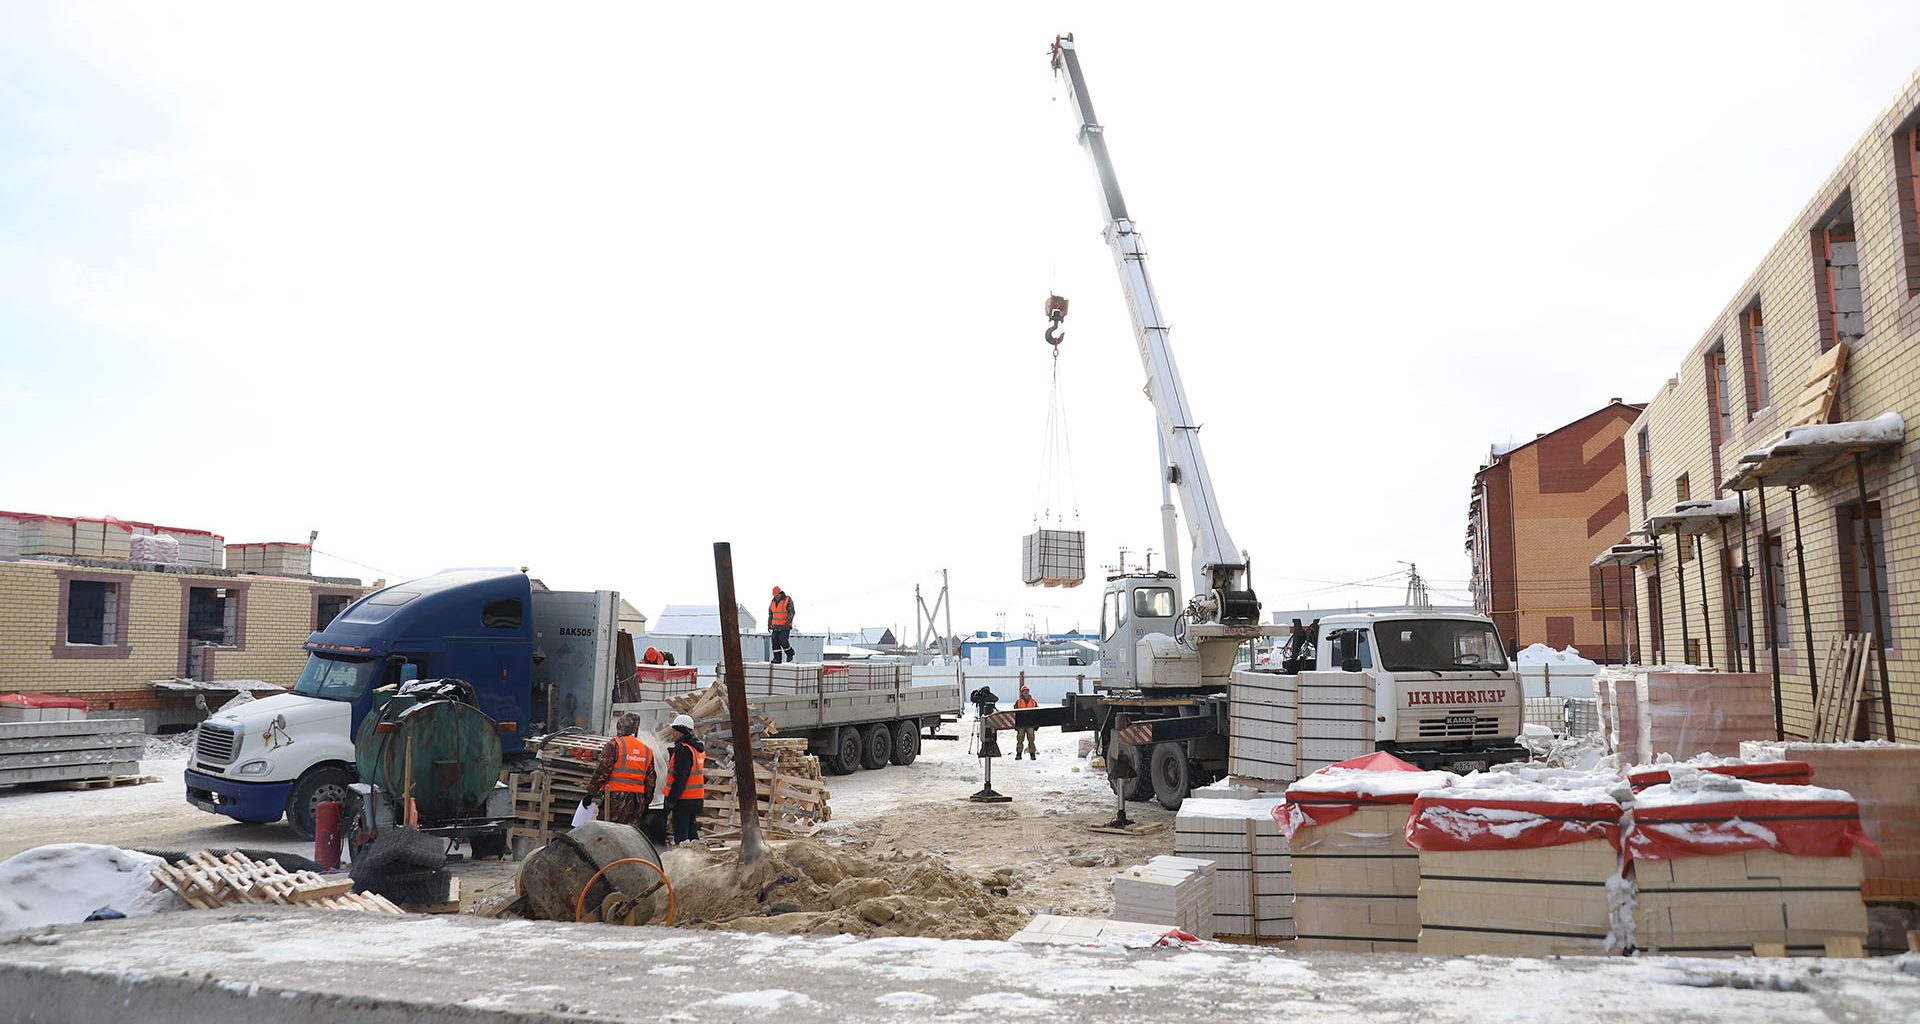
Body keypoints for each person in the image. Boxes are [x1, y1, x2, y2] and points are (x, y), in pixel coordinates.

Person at [581, 712, 655, 828]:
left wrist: (590, 793)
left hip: (616, 799)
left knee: (607, 832)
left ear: (620, 727)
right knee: (630, 835)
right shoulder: (647, 750)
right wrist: (646, 802)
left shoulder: (614, 745)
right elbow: (650, 781)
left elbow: (602, 771)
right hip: (637, 801)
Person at [662, 713, 707, 845]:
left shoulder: (684, 749)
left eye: (675, 730)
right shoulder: (697, 748)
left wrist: (670, 801)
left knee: (681, 838)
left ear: (683, 731)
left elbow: (680, 778)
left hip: (683, 799)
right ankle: (696, 859)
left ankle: (683, 862)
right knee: (692, 835)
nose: (673, 733)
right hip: (696, 799)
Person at [768, 586, 797, 664]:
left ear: (780, 593)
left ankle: (790, 653)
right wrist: (769, 624)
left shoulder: (787, 600)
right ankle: (777, 659)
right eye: (774, 595)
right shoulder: (772, 602)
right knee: (775, 642)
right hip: (775, 626)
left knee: (783, 641)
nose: (776, 596)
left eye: (777, 595)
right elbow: (771, 614)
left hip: (785, 626)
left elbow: (792, 612)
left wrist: (788, 622)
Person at [1013, 683, 1039, 760]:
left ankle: (1032, 754)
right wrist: (1016, 724)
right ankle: (1019, 754)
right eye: (1024, 691)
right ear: (1022, 692)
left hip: (1030, 724)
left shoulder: (1033, 702)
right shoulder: (1018, 702)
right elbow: (1015, 713)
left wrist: (1036, 724)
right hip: (1021, 724)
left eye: (1027, 691)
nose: (1026, 693)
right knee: (1020, 739)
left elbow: (1037, 713)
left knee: (1031, 739)